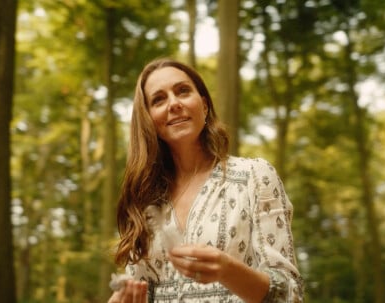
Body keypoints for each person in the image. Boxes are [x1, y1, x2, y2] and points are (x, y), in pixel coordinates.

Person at [108, 58, 303, 303]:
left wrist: (227, 269)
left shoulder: (254, 176)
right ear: (149, 120)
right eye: (159, 99)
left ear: (204, 105)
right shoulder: (144, 198)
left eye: (183, 91)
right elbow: (135, 288)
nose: (174, 104)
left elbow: (290, 295)